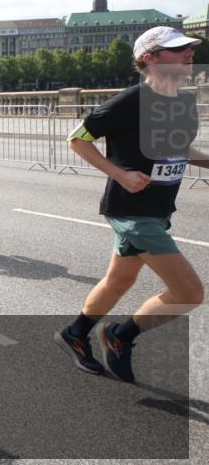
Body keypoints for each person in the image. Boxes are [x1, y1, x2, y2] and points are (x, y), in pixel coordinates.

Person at [55, 26, 206, 382]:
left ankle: (75, 333)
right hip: (133, 212)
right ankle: (120, 336)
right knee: (189, 292)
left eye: (189, 48)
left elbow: (177, 148)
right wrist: (119, 174)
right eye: (177, 49)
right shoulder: (132, 100)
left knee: (119, 280)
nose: (188, 54)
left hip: (158, 209)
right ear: (150, 59)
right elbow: (77, 139)